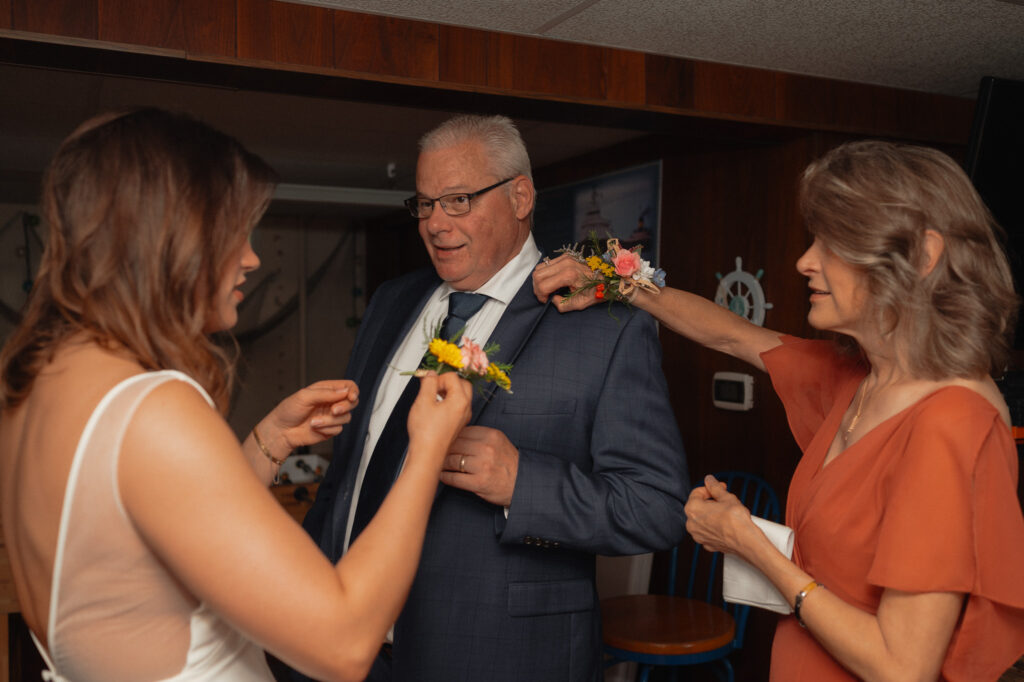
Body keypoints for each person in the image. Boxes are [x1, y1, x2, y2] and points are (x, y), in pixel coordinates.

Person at [0, 108, 473, 682]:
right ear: (172, 238)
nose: (251, 256)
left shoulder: (32, 385)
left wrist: (266, 442)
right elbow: (345, 642)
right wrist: (426, 450)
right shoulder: (151, 407)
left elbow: (135, 556)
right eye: (232, 230)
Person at [534, 139, 1024, 681]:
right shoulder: (861, 375)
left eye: (834, 243)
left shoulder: (950, 423)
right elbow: (733, 336)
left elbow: (902, 667)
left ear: (922, 257)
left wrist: (749, 543)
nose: (804, 262)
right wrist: (612, 280)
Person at [299, 114, 688, 682]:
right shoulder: (391, 301)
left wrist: (521, 483)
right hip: (346, 648)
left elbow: (656, 509)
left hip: (499, 657)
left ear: (521, 196)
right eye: (425, 204)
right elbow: (351, 474)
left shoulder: (605, 328)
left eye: (457, 200)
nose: (434, 224)